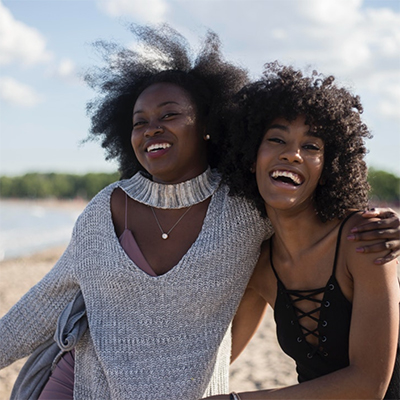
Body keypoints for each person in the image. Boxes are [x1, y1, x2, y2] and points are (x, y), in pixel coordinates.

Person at [0, 26, 398, 400]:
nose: (152, 128)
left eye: (170, 115)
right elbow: (39, 308)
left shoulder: (245, 210)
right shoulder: (103, 211)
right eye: (140, 122)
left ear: (207, 124)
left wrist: (388, 224)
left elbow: (306, 213)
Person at [205, 63, 400, 399]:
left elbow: (369, 386)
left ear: (328, 168)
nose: (292, 154)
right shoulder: (261, 264)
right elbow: (216, 357)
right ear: (252, 157)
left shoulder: (363, 239)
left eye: (311, 146)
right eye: (276, 139)